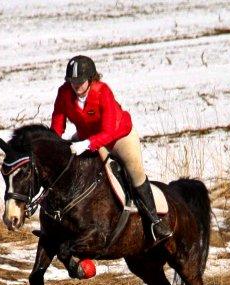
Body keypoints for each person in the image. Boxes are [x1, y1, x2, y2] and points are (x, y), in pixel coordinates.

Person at [50, 55, 172, 244]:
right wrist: (54, 145)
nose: (76, 85)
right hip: (86, 137)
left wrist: (86, 144)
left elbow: (107, 132)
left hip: (118, 136)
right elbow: (58, 125)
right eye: (72, 81)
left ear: (91, 79)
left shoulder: (103, 92)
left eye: (80, 81)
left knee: (135, 173)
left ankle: (155, 222)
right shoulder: (64, 93)